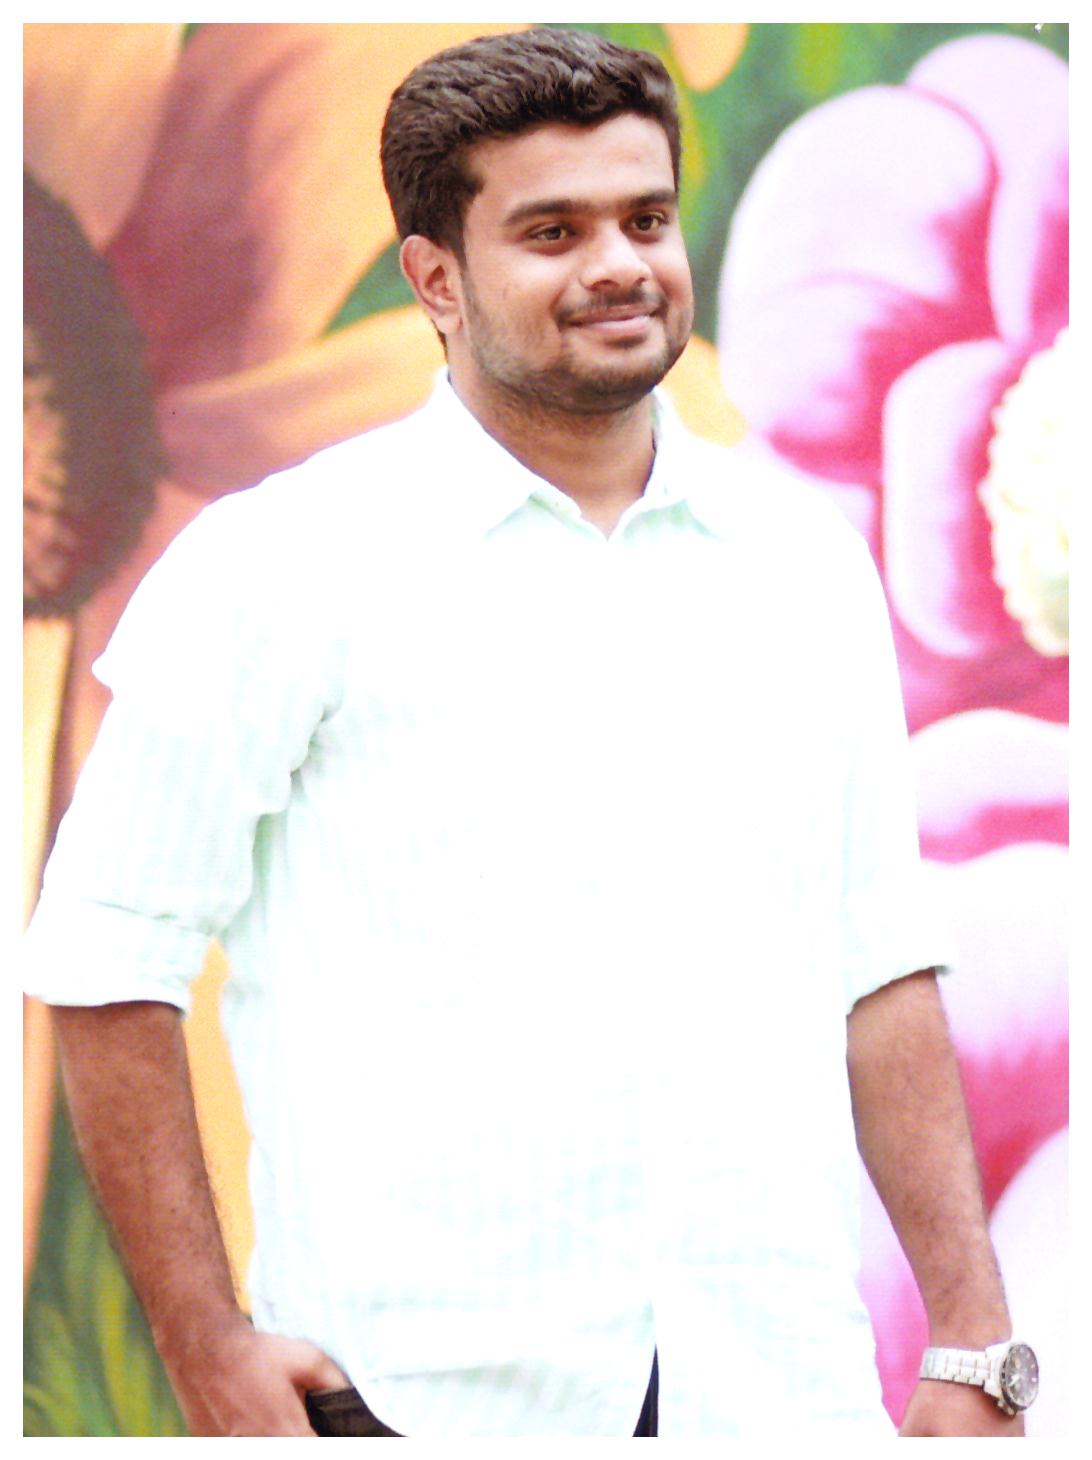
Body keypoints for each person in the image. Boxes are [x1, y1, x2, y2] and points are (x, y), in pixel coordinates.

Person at [24, 28, 1034, 1438]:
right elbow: (105, 954)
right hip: (422, 1402)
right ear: (435, 279)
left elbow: (879, 963)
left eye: (646, 219)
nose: (620, 265)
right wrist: (206, 1348)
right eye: (553, 232)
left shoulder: (802, 562)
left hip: (774, 1390)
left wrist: (974, 1338)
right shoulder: (280, 567)